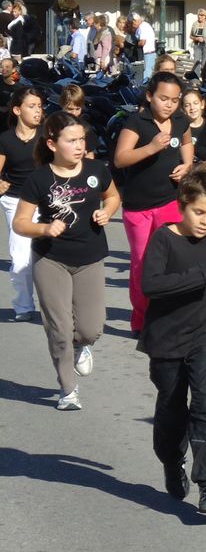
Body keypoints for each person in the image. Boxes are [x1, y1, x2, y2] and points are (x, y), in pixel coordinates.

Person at [139, 164, 206, 514]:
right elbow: (151, 285)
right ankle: (172, 460)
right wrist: (201, 274)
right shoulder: (164, 239)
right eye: (199, 212)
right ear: (183, 204)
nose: (205, 221)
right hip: (167, 337)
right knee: (171, 409)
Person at [13, 111, 121, 410]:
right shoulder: (39, 178)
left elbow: (112, 197)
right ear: (52, 144)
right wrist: (44, 228)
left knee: (91, 327)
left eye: (81, 139)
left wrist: (107, 211)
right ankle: (67, 389)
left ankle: (82, 344)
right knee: (58, 327)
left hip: (90, 257)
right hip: (51, 259)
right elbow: (20, 223)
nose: (78, 146)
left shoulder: (97, 169)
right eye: (71, 140)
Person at [114, 72, 193, 333]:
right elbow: (120, 159)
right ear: (150, 97)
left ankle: (169, 315)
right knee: (142, 263)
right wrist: (151, 148)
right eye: (163, 98)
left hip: (170, 200)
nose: (169, 105)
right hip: (138, 207)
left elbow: (187, 141)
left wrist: (187, 165)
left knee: (172, 259)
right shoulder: (137, 122)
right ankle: (141, 318)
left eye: (174, 99)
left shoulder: (180, 119)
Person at [0, 86, 45, 321]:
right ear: (17, 110)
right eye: (31, 106)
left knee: (50, 257)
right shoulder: (5, 140)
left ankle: (54, 305)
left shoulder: (47, 137)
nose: (37, 111)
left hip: (47, 201)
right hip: (15, 203)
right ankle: (24, 305)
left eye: (39, 106)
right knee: (21, 258)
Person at [58, 85, 98, 158]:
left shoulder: (85, 128)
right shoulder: (53, 124)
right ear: (61, 104)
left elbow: (90, 155)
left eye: (77, 109)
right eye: (70, 109)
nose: (74, 113)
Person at [182, 87, 206, 163]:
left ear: (202, 104)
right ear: (183, 109)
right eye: (187, 105)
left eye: (195, 103)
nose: (192, 108)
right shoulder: (182, 128)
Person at [133, 12, 157, 81]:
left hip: (148, 54)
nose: (133, 25)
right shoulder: (144, 25)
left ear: (135, 21)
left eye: (133, 23)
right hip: (150, 53)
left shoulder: (142, 27)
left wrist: (136, 44)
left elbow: (142, 42)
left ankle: (145, 89)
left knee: (147, 75)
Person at [189, 9, 206, 82]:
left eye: (202, 15)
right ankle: (195, 81)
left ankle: (205, 80)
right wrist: (196, 38)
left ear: (205, 16)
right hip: (197, 45)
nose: (200, 17)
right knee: (196, 62)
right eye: (199, 15)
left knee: (204, 64)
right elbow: (190, 36)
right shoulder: (195, 24)